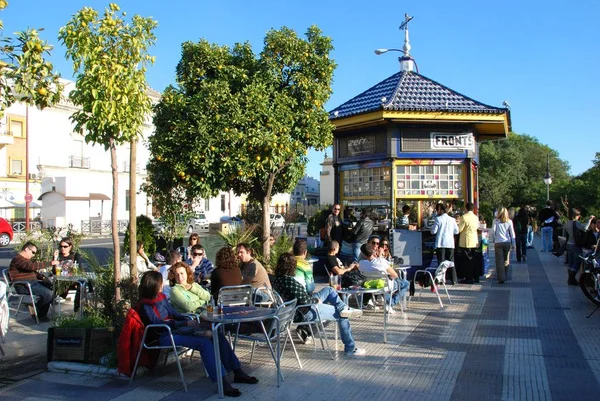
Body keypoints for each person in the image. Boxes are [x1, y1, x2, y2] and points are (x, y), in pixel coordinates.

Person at [136, 271, 257, 397]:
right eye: (161, 282)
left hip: (175, 330)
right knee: (204, 343)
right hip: (164, 335)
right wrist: (184, 324)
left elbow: (175, 314)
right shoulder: (145, 305)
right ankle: (222, 382)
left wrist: (188, 321)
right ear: (154, 284)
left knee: (217, 335)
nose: (163, 285)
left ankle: (237, 371)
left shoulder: (160, 297)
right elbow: (157, 323)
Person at [271, 253, 365, 355]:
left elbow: (300, 297)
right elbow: (305, 300)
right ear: (292, 266)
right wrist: (315, 301)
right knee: (343, 315)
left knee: (329, 290)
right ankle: (350, 348)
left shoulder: (276, 280)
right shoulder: (288, 281)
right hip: (304, 311)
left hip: (295, 309)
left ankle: (343, 307)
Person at [8, 241, 54, 321]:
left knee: (54, 289)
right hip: (23, 285)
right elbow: (31, 267)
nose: (33, 255)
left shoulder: (25, 260)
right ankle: (40, 315)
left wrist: (42, 277)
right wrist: (51, 263)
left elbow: (33, 272)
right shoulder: (17, 259)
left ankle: (36, 307)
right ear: (26, 249)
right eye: (33, 252)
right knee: (48, 294)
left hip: (32, 283)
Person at [358, 244, 409, 313]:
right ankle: (391, 303)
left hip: (371, 286)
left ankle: (387, 302)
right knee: (406, 283)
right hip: (385, 286)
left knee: (384, 283)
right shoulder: (381, 261)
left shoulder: (361, 264)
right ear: (373, 251)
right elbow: (395, 275)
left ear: (363, 254)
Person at [54, 237, 89, 312]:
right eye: (61, 246)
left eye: (65, 246)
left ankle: (77, 307)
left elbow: (79, 268)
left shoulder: (75, 255)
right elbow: (54, 272)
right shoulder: (58, 256)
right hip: (61, 281)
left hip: (73, 280)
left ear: (70, 247)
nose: (63, 248)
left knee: (81, 284)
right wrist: (55, 259)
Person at [563, 208, 594, 285]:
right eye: (579, 215)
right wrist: (589, 220)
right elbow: (585, 228)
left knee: (570, 262)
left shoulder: (566, 223)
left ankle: (570, 279)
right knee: (577, 262)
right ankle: (571, 279)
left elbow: (564, 234)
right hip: (575, 245)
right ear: (577, 215)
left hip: (568, 244)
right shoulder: (576, 223)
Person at [430, 203, 459, 284]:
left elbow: (433, 231)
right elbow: (457, 231)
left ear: (440, 210)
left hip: (440, 243)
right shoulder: (452, 219)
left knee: (441, 263)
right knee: (451, 261)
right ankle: (454, 280)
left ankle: (441, 280)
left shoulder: (438, 219)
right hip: (450, 243)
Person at [493, 207, 516, 284]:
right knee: (506, 260)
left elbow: (493, 232)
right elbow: (512, 234)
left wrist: (493, 239)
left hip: (498, 242)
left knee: (499, 260)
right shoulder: (509, 221)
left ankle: (501, 277)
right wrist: (514, 244)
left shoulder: (495, 221)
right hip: (507, 242)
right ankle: (505, 275)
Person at [458, 202, 480, 284]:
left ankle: (468, 278)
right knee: (473, 260)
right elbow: (477, 227)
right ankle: (476, 277)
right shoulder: (475, 217)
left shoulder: (464, 217)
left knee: (467, 261)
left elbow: (459, 229)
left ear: (466, 208)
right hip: (474, 240)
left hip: (466, 241)